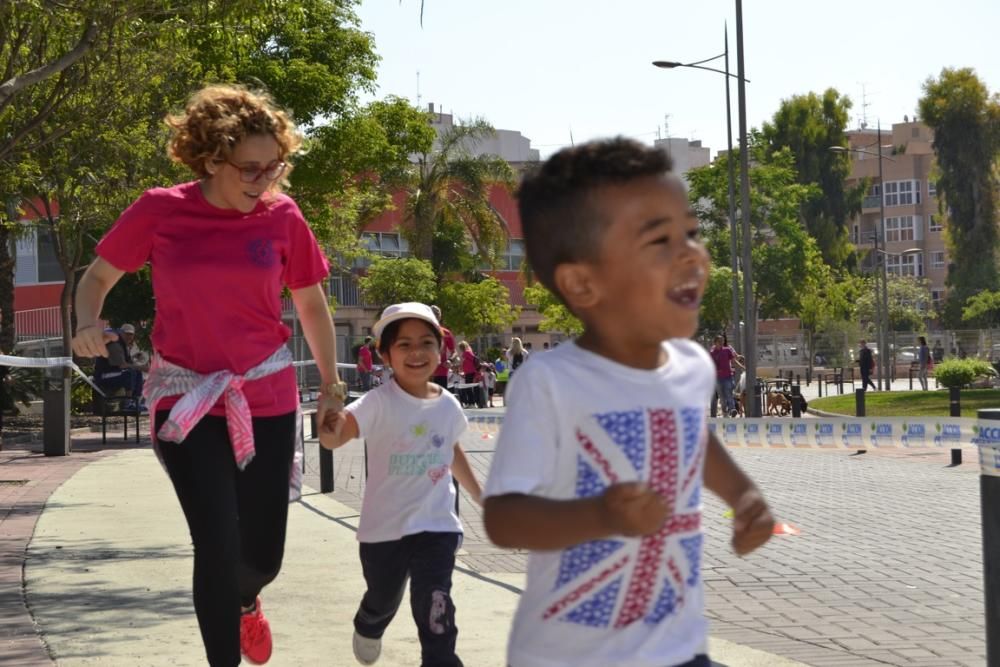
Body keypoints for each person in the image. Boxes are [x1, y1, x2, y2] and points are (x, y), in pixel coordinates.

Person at [71, 84, 344, 667]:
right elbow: (96, 279)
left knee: (262, 556)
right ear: (212, 158)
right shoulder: (160, 209)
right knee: (216, 544)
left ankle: (247, 600)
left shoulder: (283, 215)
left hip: (266, 396)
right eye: (250, 167)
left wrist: (330, 384)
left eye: (275, 165)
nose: (264, 179)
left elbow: (312, 305)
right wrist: (87, 322)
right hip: (185, 396)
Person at [482, 137, 774, 667]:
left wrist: (743, 495)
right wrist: (599, 515)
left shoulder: (693, 367)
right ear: (583, 282)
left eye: (691, 232)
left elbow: (693, 438)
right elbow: (503, 519)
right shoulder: (549, 382)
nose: (691, 253)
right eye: (660, 240)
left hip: (680, 648)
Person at [322, 302, 483, 667]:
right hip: (385, 531)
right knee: (384, 597)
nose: (416, 353)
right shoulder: (377, 403)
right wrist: (329, 408)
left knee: (435, 605)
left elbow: (451, 449)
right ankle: (369, 623)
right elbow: (334, 440)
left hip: (437, 526)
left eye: (426, 343)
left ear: (439, 350)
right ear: (385, 353)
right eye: (404, 345)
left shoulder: (449, 406)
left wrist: (479, 495)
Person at [93, 324, 145, 409]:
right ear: (121, 333)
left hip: (115, 373)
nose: (129, 337)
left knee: (137, 373)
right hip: (104, 375)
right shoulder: (115, 344)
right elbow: (122, 365)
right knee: (129, 374)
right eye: (127, 334)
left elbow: (126, 362)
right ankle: (127, 404)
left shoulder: (123, 344)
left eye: (131, 334)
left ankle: (135, 402)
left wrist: (135, 360)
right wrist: (143, 368)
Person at [709, 335, 743, 417]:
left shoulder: (727, 350)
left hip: (728, 376)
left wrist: (742, 367)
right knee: (722, 397)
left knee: (729, 393)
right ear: (715, 343)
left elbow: (733, 361)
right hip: (717, 378)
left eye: (722, 341)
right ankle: (725, 412)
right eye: (719, 341)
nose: (721, 343)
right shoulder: (712, 353)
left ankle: (732, 409)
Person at [430, 305, 456, 389]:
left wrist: (450, 360)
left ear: (439, 317)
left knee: (439, 398)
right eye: (432, 314)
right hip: (426, 371)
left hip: (441, 371)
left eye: (437, 314)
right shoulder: (421, 331)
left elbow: (454, 352)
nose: (435, 316)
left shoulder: (446, 333)